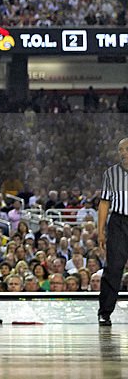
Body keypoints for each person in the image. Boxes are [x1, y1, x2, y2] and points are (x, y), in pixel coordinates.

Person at [98, 137, 128, 326]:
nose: (123, 152)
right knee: (114, 268)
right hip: (118, 222)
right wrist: (100, 230)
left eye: (126, 149)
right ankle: (105, 312)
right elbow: (104, 203)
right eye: (120, 150)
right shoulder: (111, 174)